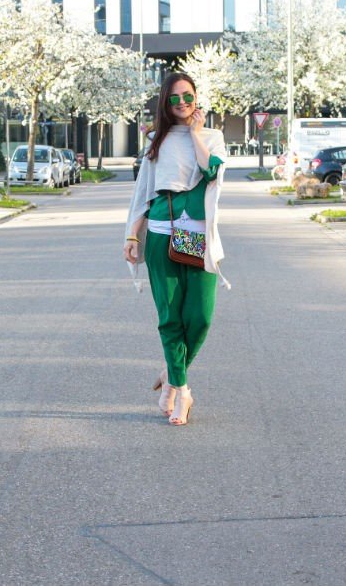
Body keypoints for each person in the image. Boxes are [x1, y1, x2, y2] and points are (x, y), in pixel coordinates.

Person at [123, 72, 228, 426]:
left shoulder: (212, 137)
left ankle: (171, 373)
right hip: (160, 233)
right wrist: (132, 236)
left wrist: (197, 135)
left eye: (188, 96)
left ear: (197, 98)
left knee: (200, 317)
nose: (182, 103)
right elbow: (143, 193)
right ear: (165, 103)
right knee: (170, 318)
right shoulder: (157, 140)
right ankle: (181, 392)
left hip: (195, 235)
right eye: (175, 98)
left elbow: (210, 172)